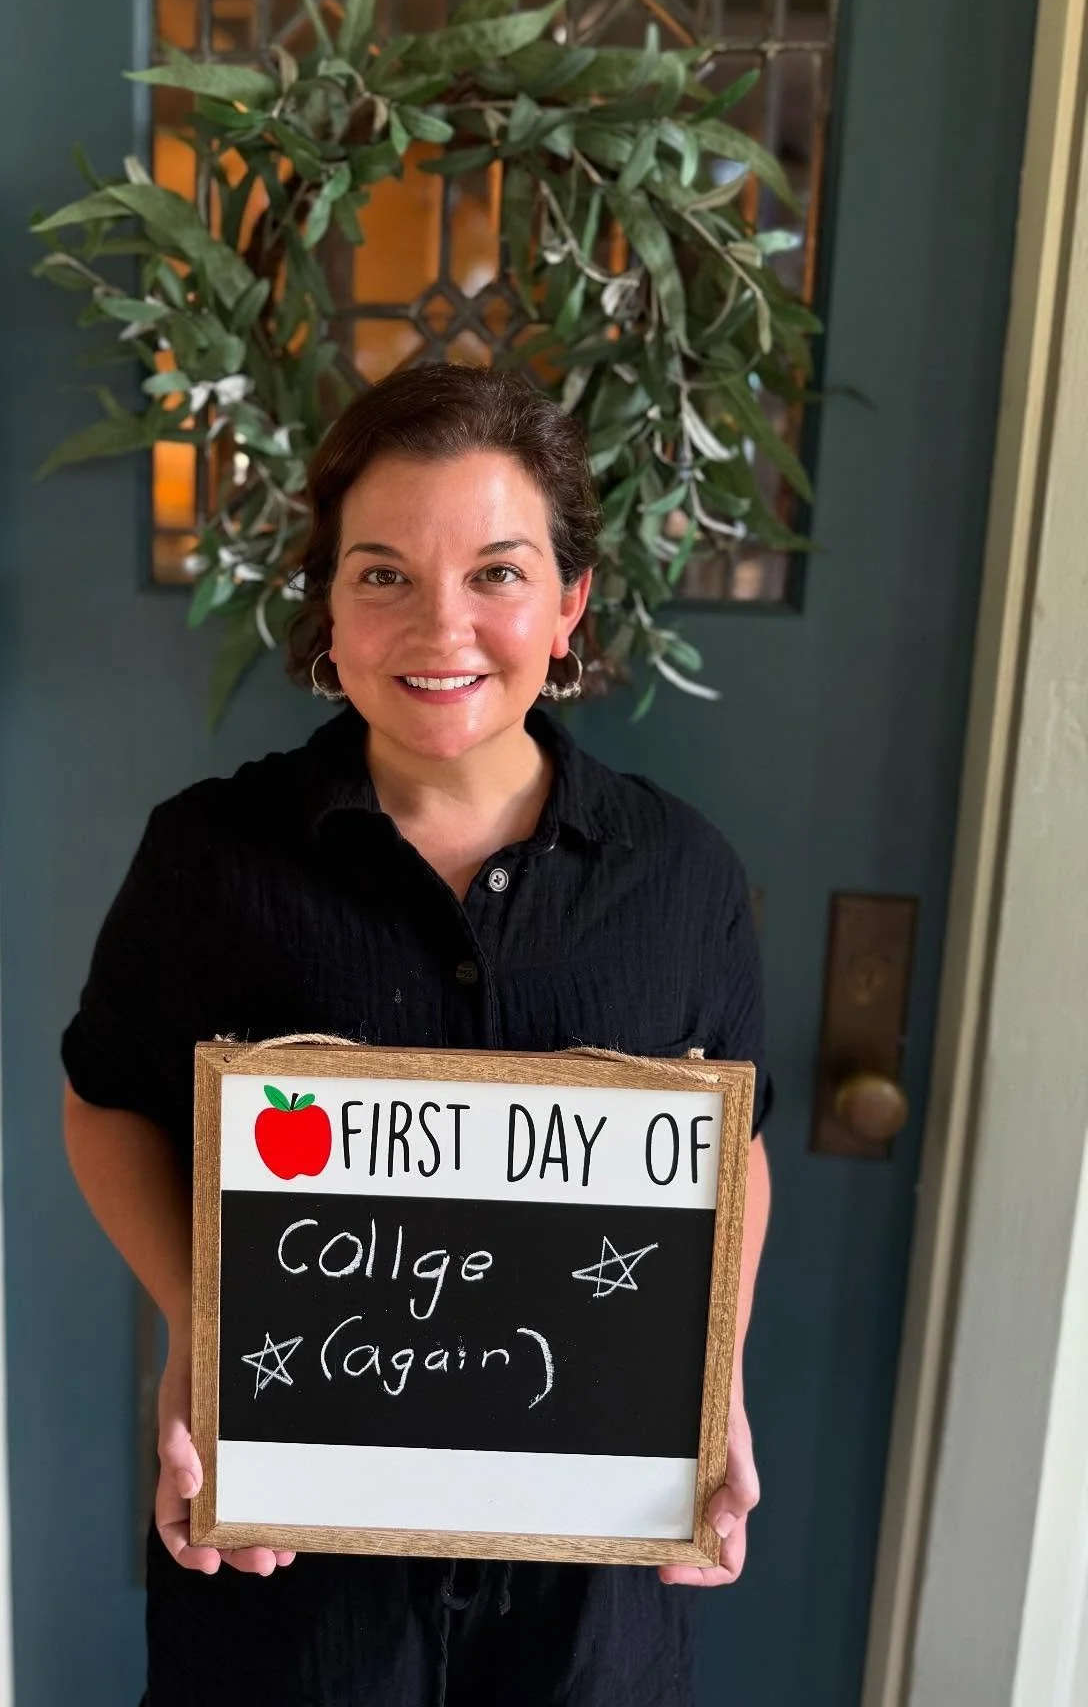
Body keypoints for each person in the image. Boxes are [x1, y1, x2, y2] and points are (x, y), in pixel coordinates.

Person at [62, 362, 772, 1707]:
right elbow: (106, 1102)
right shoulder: (212, 861)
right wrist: (195, 1329)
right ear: (327, 608)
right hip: (296, 1589)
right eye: (383, 574)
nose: (440, 626)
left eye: (497, 573)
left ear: (568, 606)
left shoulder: (678, 874)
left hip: (585, 1597)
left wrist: (711, 1371)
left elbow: (728, 1147)